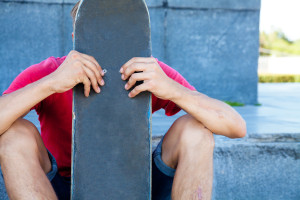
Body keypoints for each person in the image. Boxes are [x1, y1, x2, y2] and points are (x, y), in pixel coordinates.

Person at [0, 1, 246, 200]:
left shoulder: (149, 72)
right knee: (13, 135)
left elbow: (236, 127)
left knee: (196, 131)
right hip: (59, 188)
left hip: (135, 185)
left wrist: (171, 89)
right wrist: (51, 83)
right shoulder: (51, 72)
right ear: (76, 38)